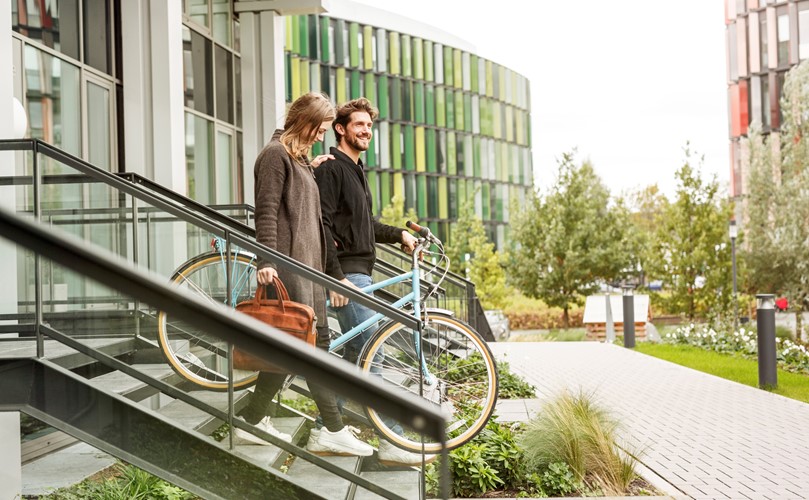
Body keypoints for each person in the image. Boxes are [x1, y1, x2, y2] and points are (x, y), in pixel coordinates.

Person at [235, 92, 373, 458]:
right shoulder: (274, 156)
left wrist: (311, 169)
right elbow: (265, 211)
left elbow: (304, 215)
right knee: (313, 348)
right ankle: (333, 429)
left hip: (309, 269)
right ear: (304, 122)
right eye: (319, 129)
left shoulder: (297, 160)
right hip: (288, 266)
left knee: (296, 347)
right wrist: (265, 260)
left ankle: (251, 419)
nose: (320, 137)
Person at [314, 97, 433, 466]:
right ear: (340, 128)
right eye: (359, 125)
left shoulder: (356, 170)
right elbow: (322, 225)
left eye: (369, 126)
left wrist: (400, 233)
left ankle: (325, 429)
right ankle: (394, 440)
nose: (366, 131)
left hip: (359, 271)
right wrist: (335, 279)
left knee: (356, 354)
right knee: (374, 351)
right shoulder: (332, 169)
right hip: (347, 275)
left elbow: (362, 226)